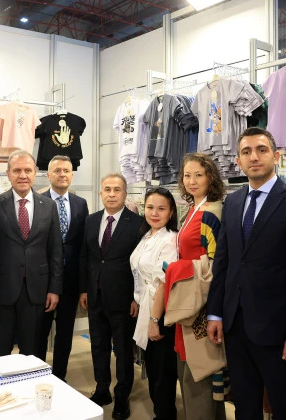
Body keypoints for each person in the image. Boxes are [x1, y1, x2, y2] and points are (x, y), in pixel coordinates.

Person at [207, 127, 286, 420]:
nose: (254, 157)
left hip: (277, 330)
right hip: (235, 325)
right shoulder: (232, 202)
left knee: (285, 407)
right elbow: (224, 263)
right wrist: (215, 313)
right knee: (245, 405)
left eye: (261, 150)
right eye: (246, 152)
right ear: (238, 161)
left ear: (276, 156)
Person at [163, 153, 227, 419]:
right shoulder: (192, 209)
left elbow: (215, 266)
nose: (192, 181)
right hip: (188, 298)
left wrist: (175, 269)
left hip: (200, 303)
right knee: (188, 371)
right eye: (187, 175)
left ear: (210, 177)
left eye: (198, 175)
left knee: (199, 374)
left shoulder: (211, 213)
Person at [80, 173, 145, 420]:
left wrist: (136, 298)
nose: (112, 194)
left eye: (117, 189)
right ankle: (102, 389)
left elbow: (140, 265)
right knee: (98, 346)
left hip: (124, 299)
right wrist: (84, 289)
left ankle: (122, 397)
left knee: (123, 351)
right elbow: (86, 257)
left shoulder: (137, 223)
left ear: (125, 193)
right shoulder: (91, 220)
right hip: (95, 296)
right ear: (101, 193)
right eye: (107, 189)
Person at [0, 150, 63, 357]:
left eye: (28, 170)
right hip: (3, 290)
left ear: (35, 173)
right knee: (1, 350)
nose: (22, 175)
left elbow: (55, 251)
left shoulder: (48, 206)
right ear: (8, 174)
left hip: (36, 290)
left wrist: (54, 289)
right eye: (17, 170)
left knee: (31, 351)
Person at [35, 155, 88, 381]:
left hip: (71, 280)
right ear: (48, 175)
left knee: (65, 333)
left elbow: (84, 246)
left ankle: (59, 376)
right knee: (40, 331)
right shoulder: (38, 201)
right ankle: (38, 375)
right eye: (57, 171)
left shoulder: (80, 203)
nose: (62, 174)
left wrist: (83, 285)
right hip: (44, 279)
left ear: (72, 175)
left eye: (66, 170)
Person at [130, 187, 178, 420]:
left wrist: (154, 320)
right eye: (150, 207)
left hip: (160, 313)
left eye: (161, 208)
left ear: (171, 212)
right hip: (146, 308)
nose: (155, 213)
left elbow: (162, 282)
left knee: (162, 373)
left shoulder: (170, 239)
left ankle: (165, 415)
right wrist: (136, 299)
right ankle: (160, 412)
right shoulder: (147, 235)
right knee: (153, 367)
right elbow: (141, 273)